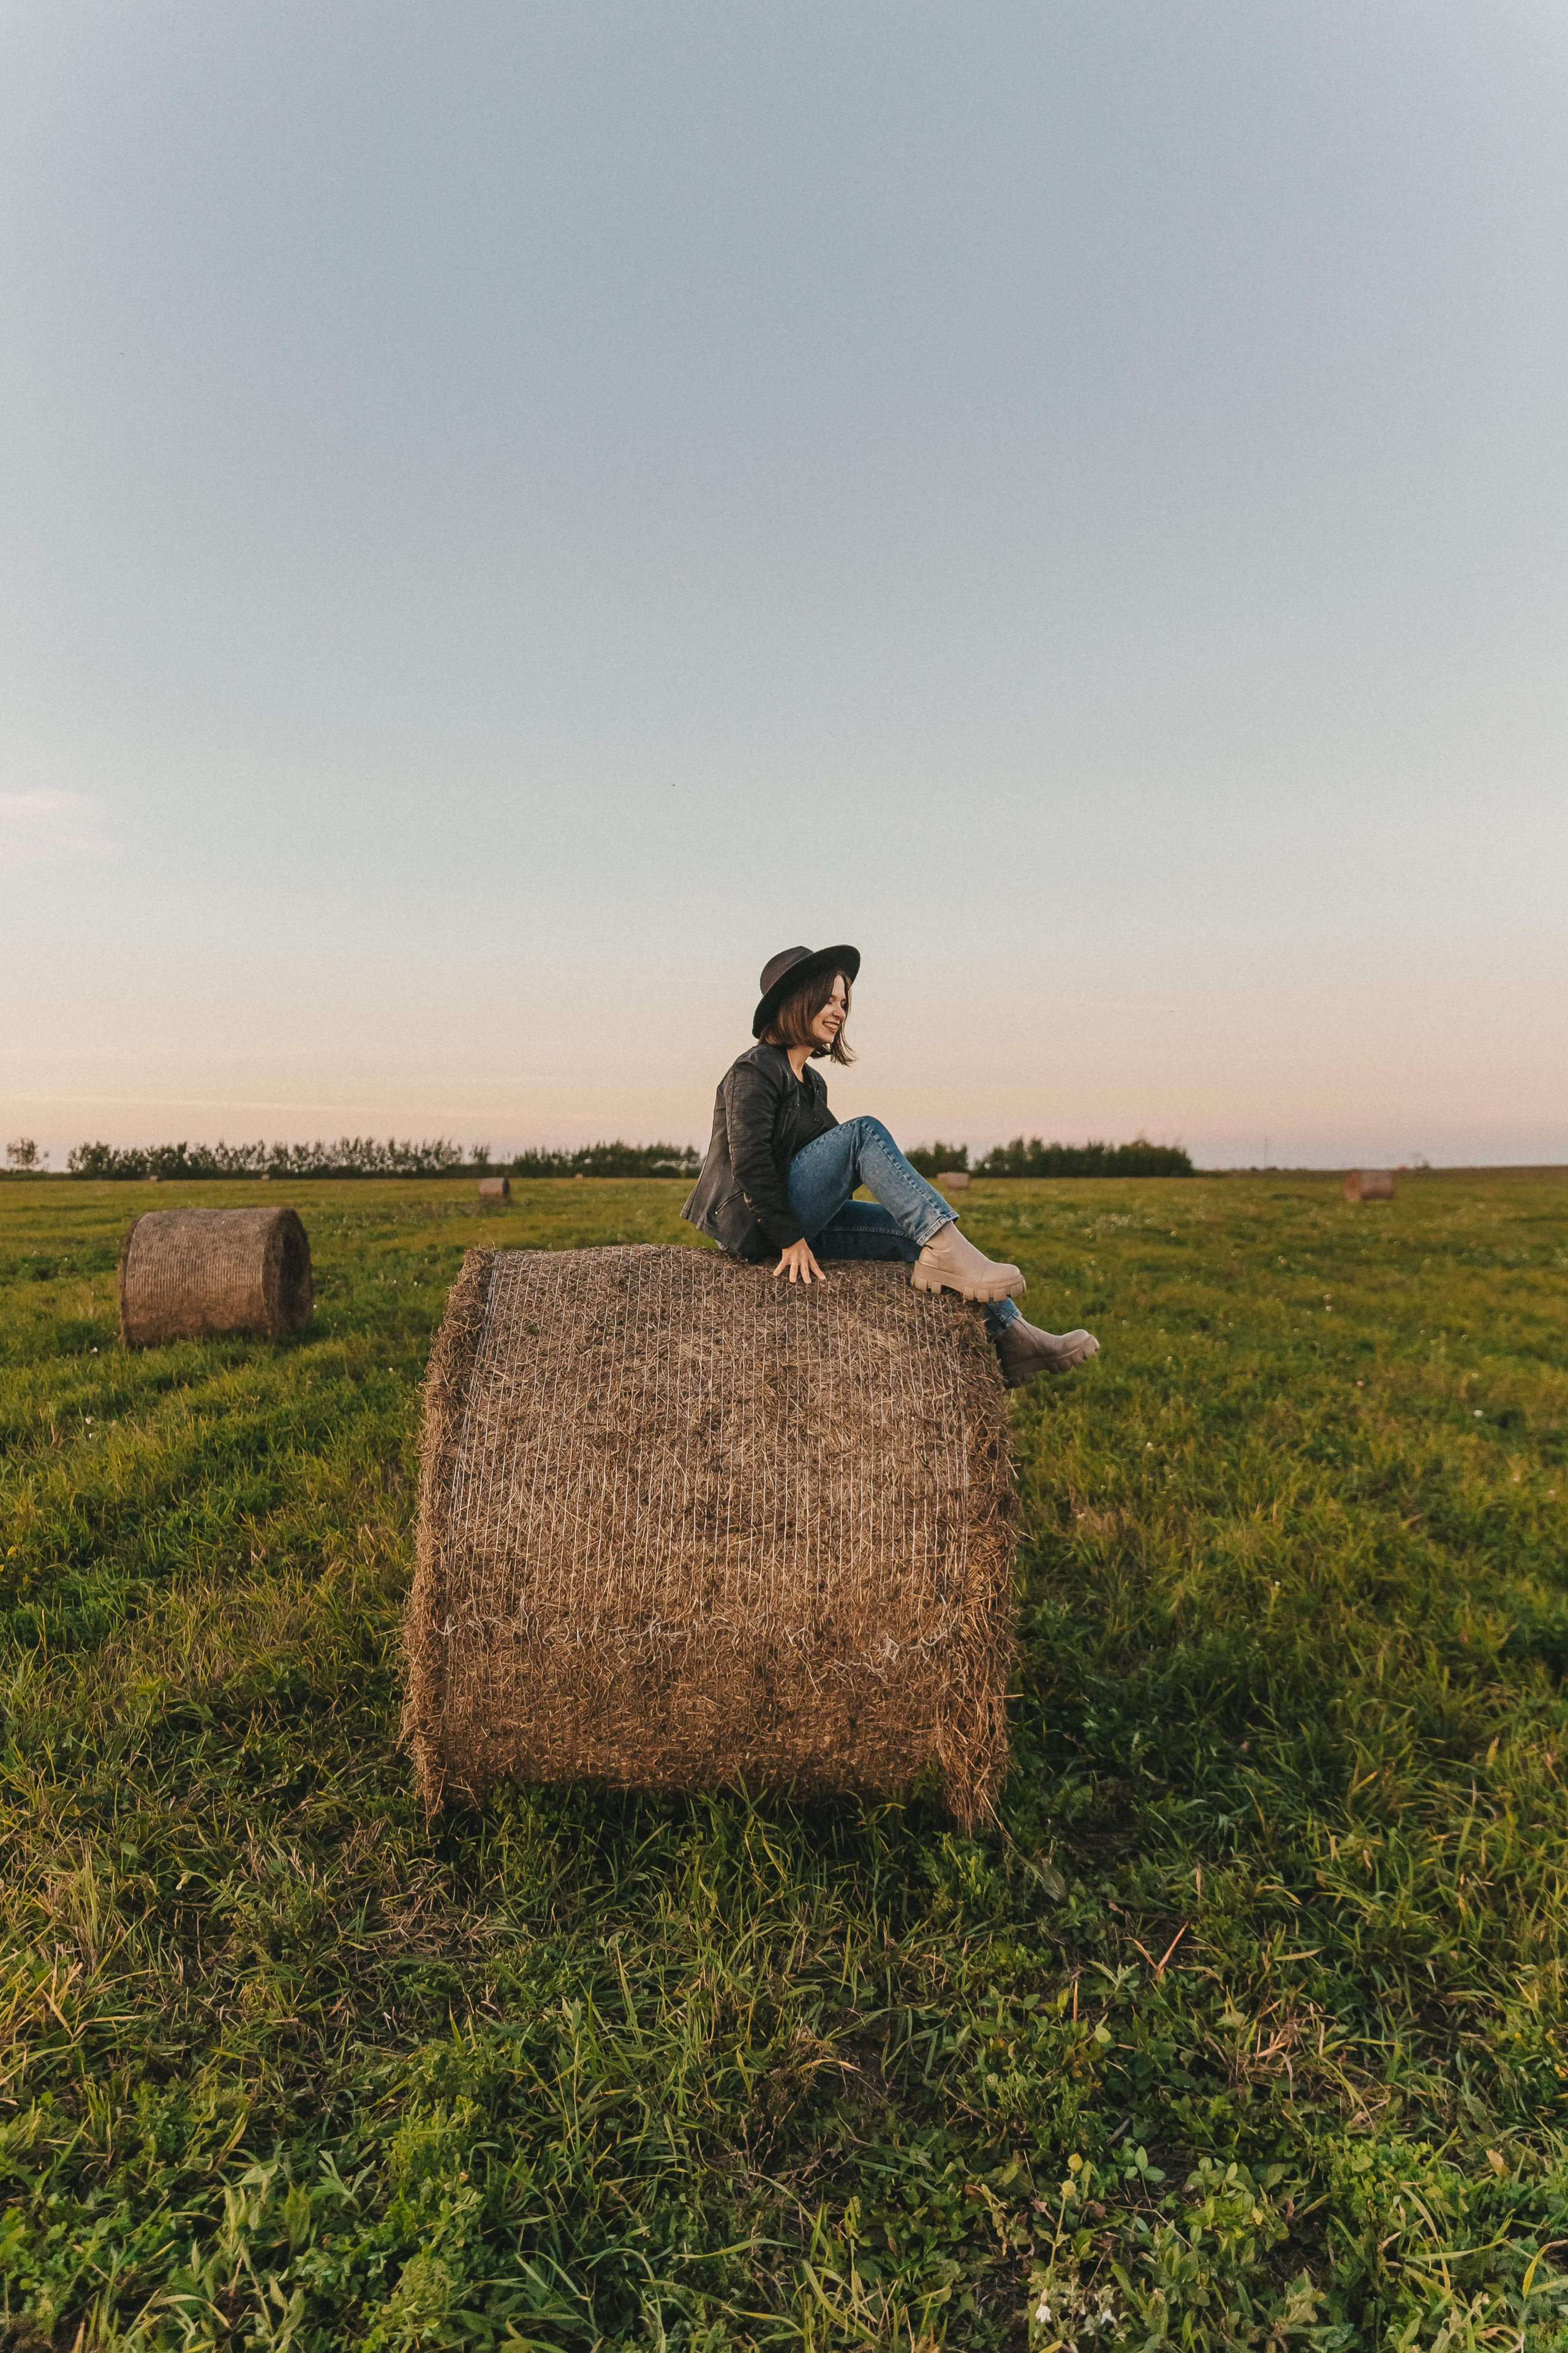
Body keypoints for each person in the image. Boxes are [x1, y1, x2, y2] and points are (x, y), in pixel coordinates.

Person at [681, 943, 1099, 1385]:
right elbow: (750, 1163)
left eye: (843, 1002)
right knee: (864, 1132)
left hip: (793, 1216)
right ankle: (953, 1252)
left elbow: (834, 1164)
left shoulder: (811, 1083)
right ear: (795, 1000)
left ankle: (1015, 1336)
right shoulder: (754, 1070)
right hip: (756, 1226)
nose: (839, 1011)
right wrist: (789, 1239)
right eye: (827, 999)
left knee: (910, 1228)